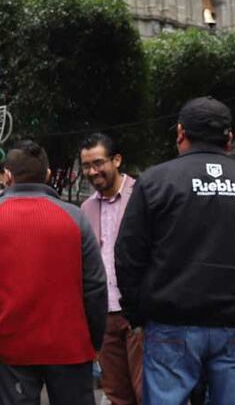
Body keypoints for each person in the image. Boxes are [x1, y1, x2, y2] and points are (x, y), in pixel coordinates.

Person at [116, 97, 235, 404]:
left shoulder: (154, 181)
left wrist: (136, 315)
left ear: (181, 132)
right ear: (229, 138)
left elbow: (129, 254)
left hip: (171, 326)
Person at [0, 140, 106, 405]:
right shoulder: (75, 217)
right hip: (69, 343)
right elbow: (95, 285)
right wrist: (94, 338)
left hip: (8, 344)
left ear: (8, 175)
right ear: (47, 174)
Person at [78, 133, 141, 405]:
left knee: (148, 391)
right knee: (116, 393)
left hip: (139, 314)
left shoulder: (142, 195)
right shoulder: (86, 207)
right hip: (103, 314)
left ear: (117, 160)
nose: (93, 172)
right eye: (86, 166)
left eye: (98, 163)